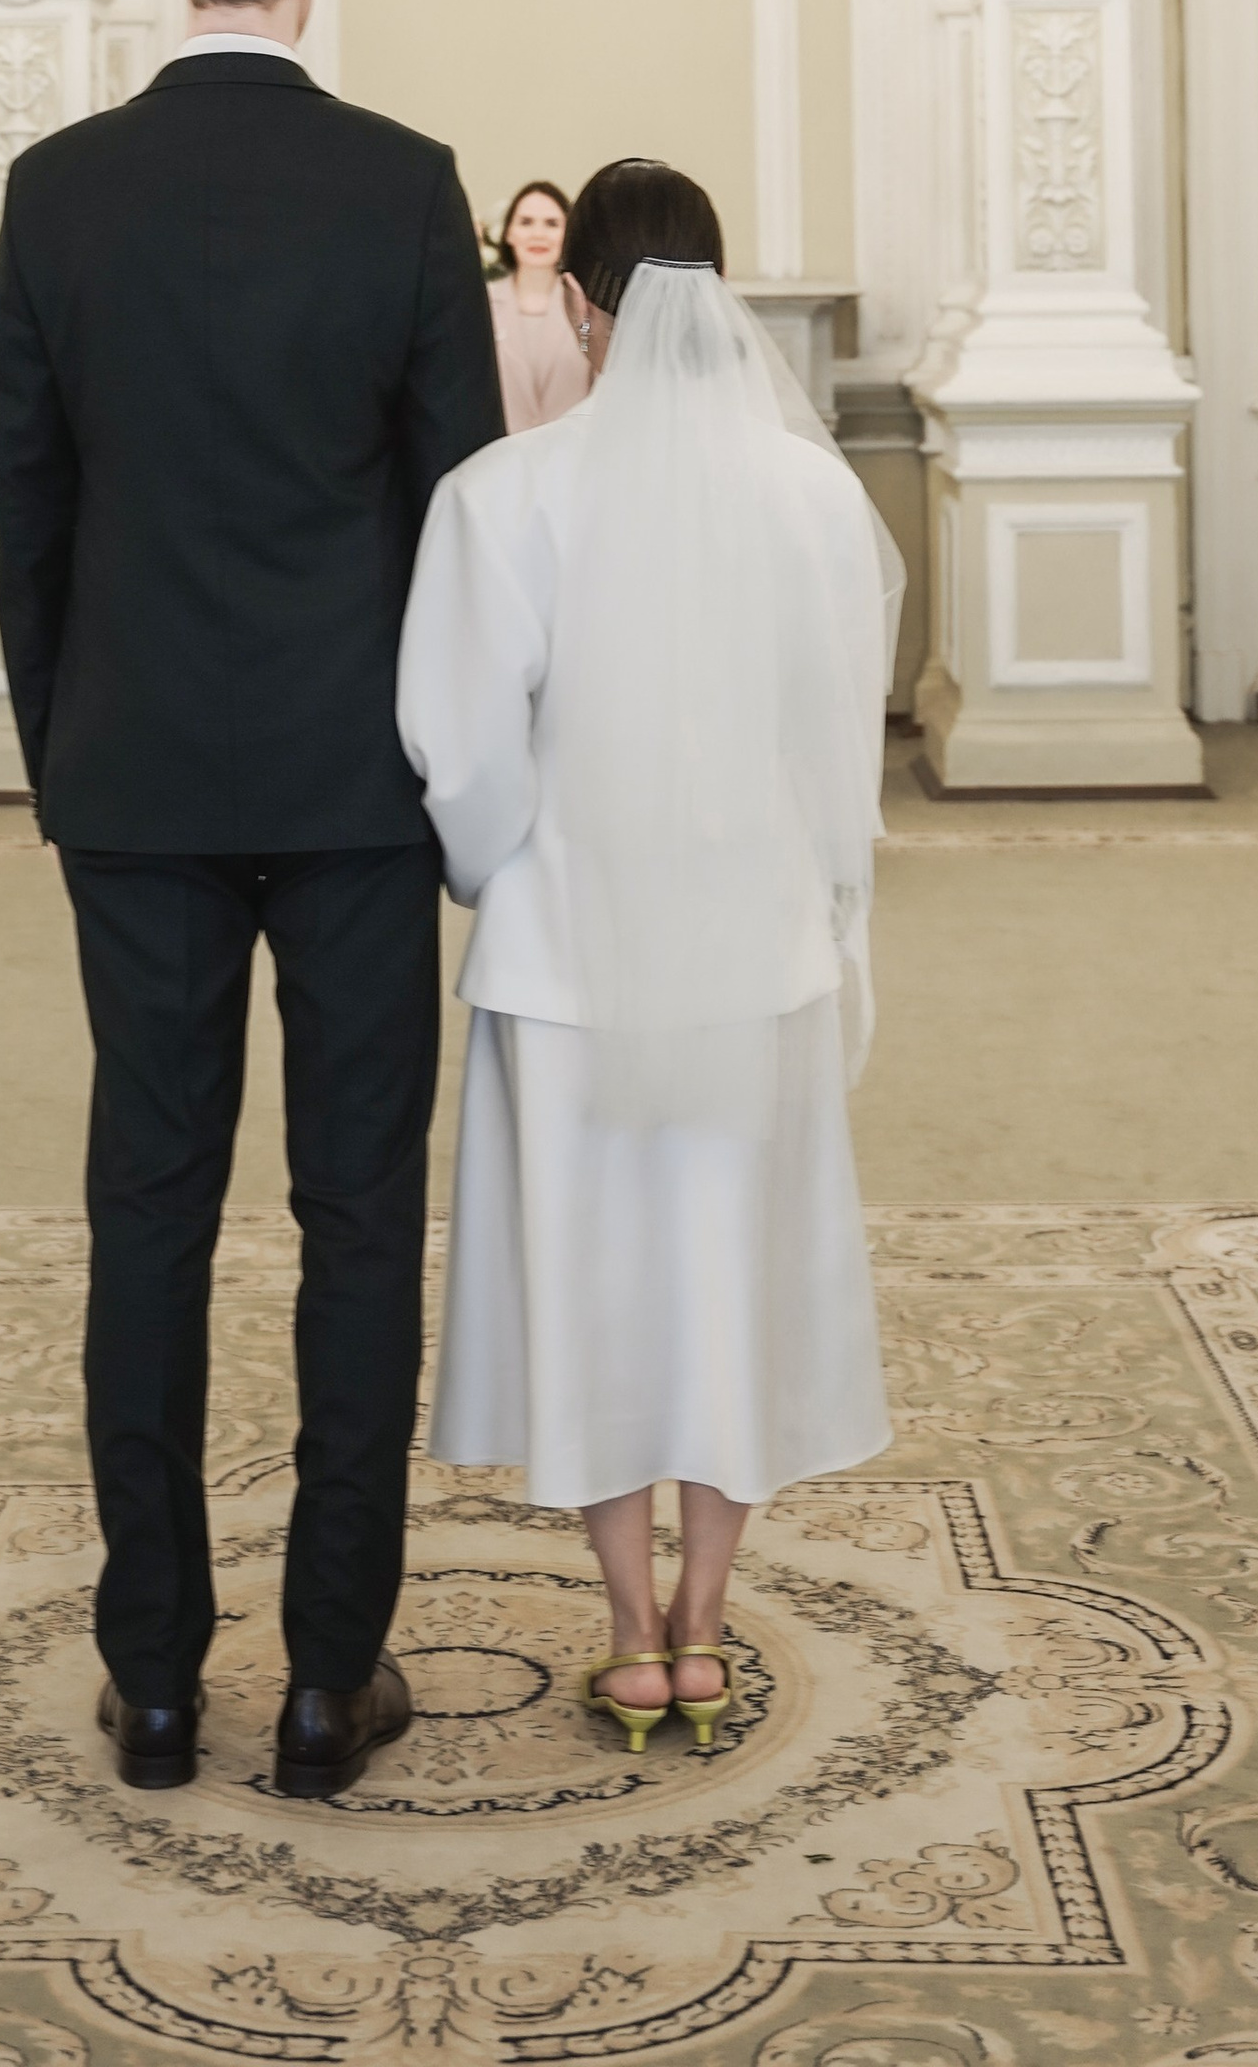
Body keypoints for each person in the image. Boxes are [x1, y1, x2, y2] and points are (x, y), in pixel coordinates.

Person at [0, 0, 504, 1804]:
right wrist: (454, 768)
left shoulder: (56, 190)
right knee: (358, 1218)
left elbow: (33, 521)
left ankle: (145, 1685)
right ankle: (321, 1683)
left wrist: (70, 756)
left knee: (148, 1213)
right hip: (361, 783)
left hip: (134, 776)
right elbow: (463, 521)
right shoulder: (399, 188)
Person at [397, 158, 900, 1753]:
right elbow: (842, 748)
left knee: (597, 1281)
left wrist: (501, 880)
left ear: (586, 307)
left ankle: (624, 1625)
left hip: (566, 961)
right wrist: (817, 896)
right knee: (730, 1272)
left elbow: (461, 750)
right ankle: (707, 1616)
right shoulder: (817, 496)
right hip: (758, 952)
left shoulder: (501, 491)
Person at [487, 178, 589, 433]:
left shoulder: (587, 307)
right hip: (496, 457)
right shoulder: (481, 304)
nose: (538, 234)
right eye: (526, 222)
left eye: (552, 224)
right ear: (508, 232)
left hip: (571, 456)